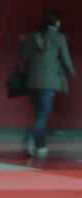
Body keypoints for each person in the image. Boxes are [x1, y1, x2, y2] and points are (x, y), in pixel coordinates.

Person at [20, 10, 75, 159]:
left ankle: (42, 146)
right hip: (50, 82)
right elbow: (66, 59)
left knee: (40, 114)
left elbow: (23, 57)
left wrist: (23, 43)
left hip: (32, 81)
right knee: (43, 114)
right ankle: (29, 137)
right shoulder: (59, 38)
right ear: (57, 23)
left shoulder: (32, 37)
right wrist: (71, 73)